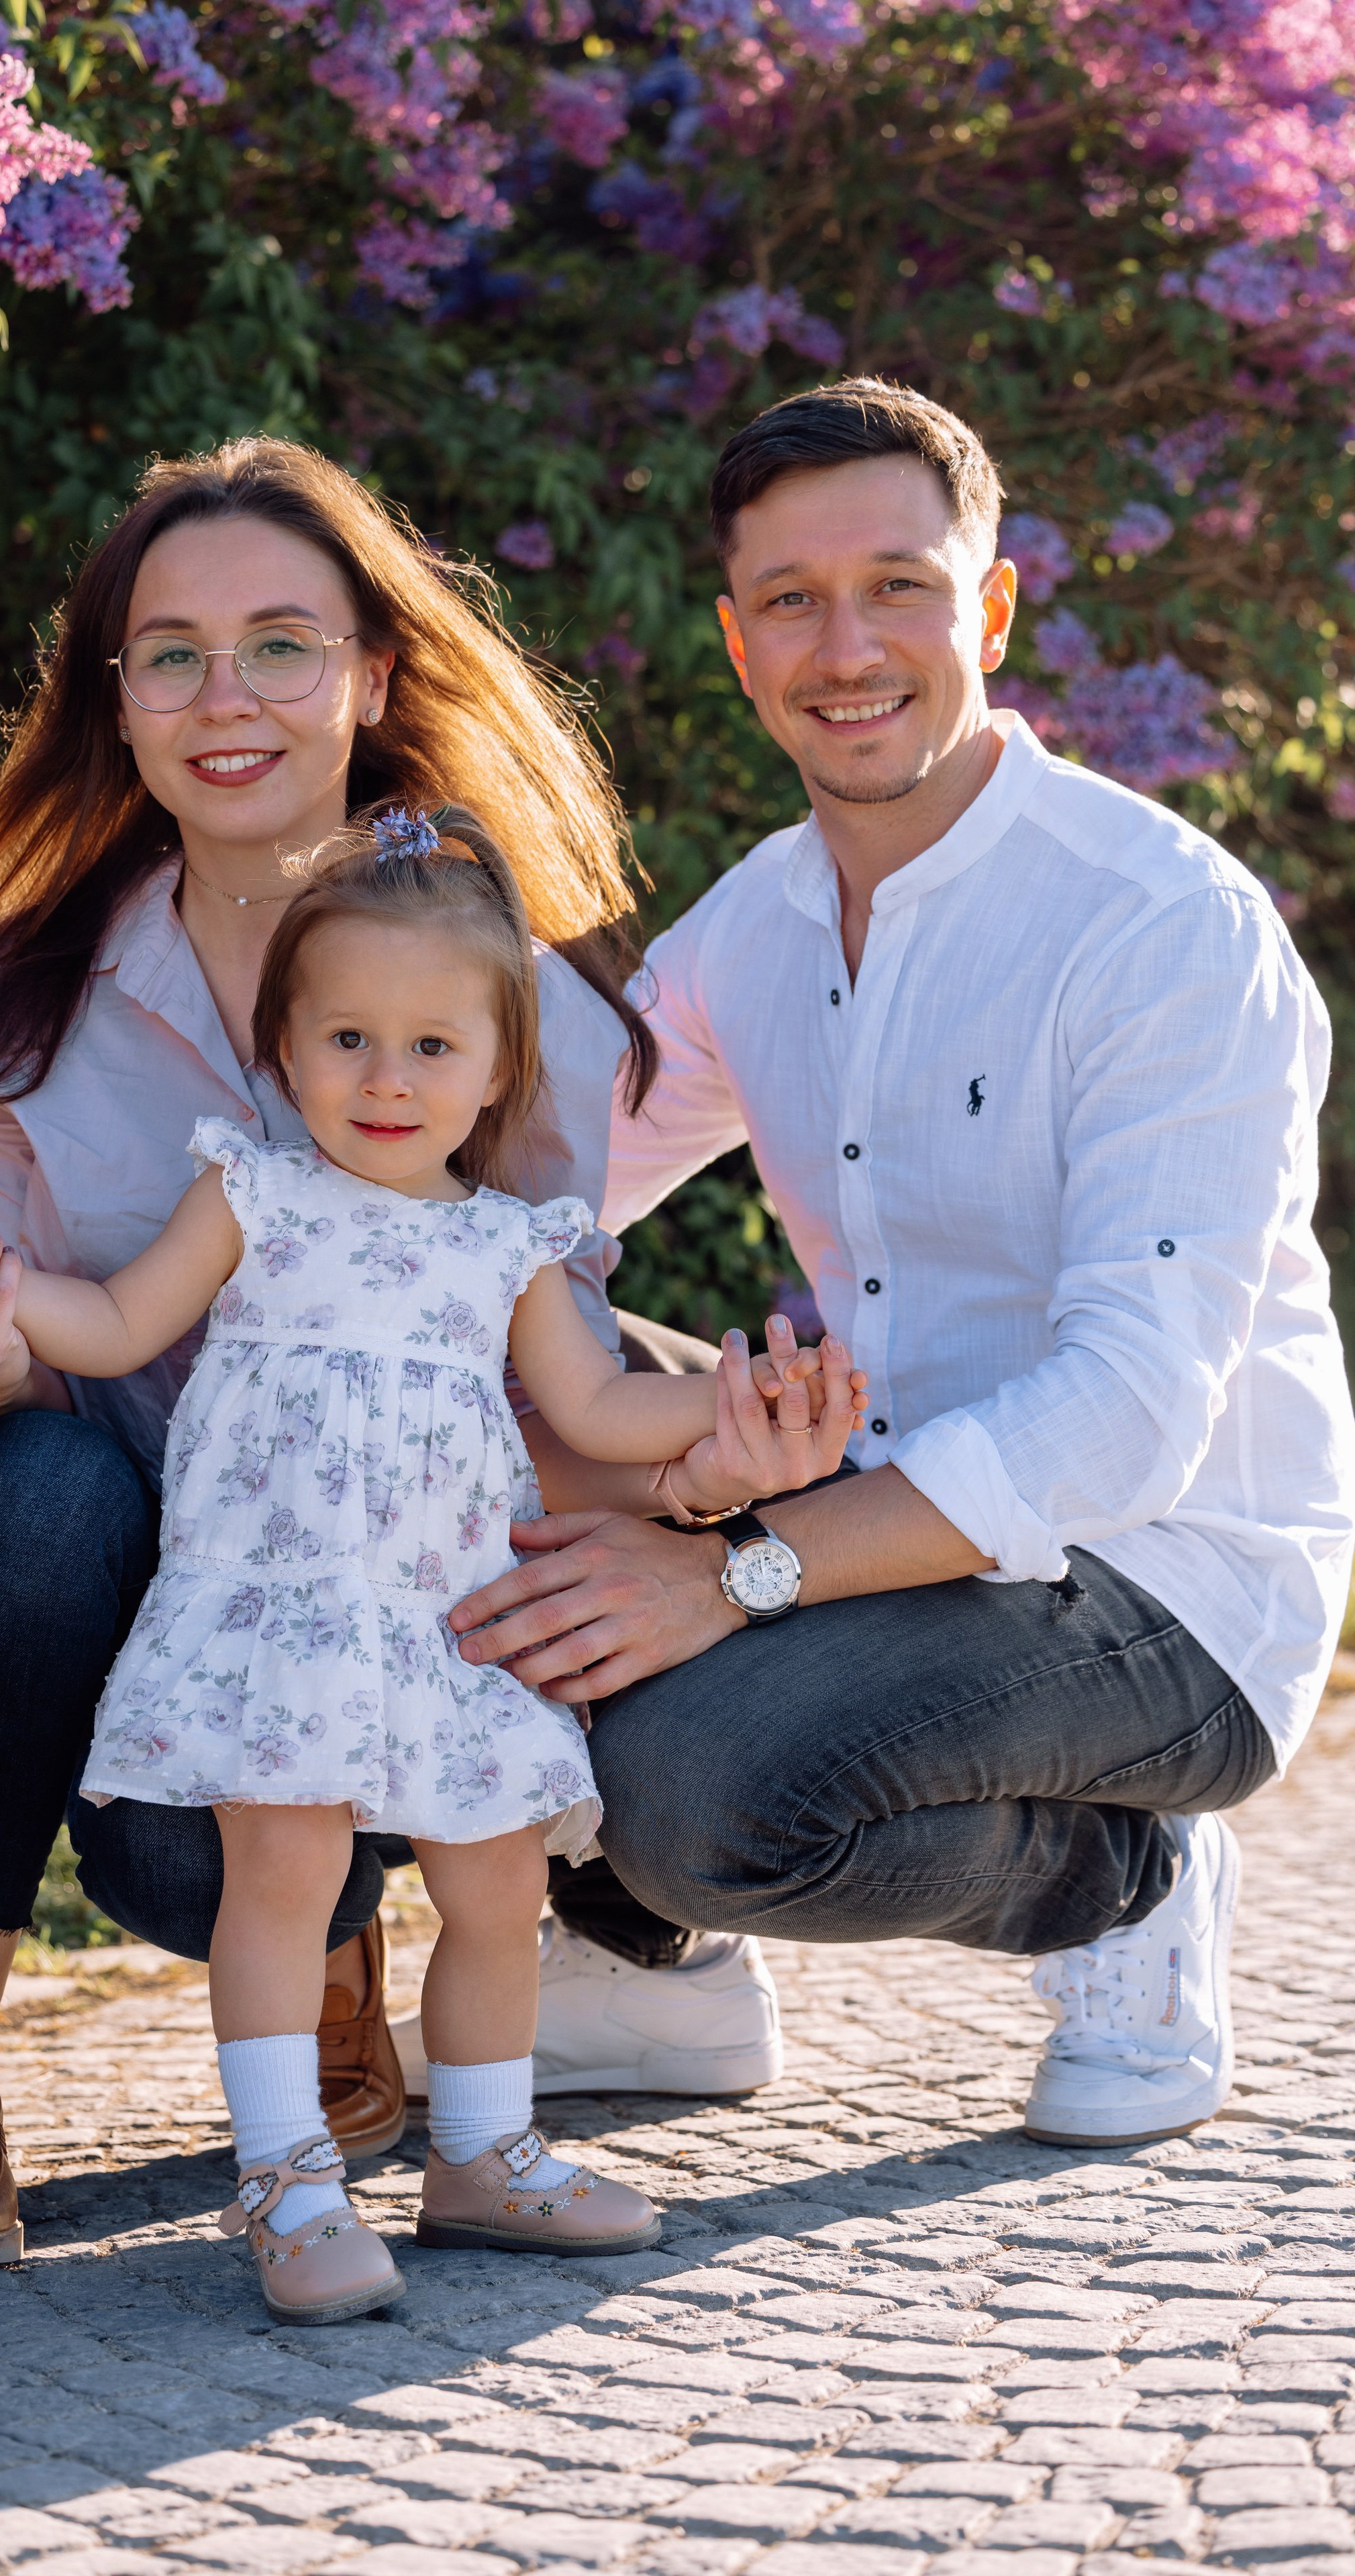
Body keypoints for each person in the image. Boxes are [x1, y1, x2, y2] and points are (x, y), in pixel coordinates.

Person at [0, 438, 785, 2274]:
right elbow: (1, 1384)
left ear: (372, 671)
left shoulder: (511, 996)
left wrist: (709, 1506)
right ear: (111, 701)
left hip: (413, 1563)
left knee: (498, 1759)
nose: (227, 698)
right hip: (179, 1578)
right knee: (19, 1486)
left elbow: (535, 1355)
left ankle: (399, 1990)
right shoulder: (18, 999)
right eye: (171, 653)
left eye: (282, 643)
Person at [444, 377, 1355, 2150]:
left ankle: (1126, 1884)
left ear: (991, 609)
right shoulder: (762, 924)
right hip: (886, 1505)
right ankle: (647, 1965)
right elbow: (528, 1193)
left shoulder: (1163, 926)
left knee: (695, 1788)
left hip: (1172, 1583)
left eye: (901, 587)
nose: (845, 645)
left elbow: (1123, 1426)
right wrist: (639, 1434)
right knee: (445, 1372)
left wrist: (732, 1570)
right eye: (792, 598)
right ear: (737, 639)